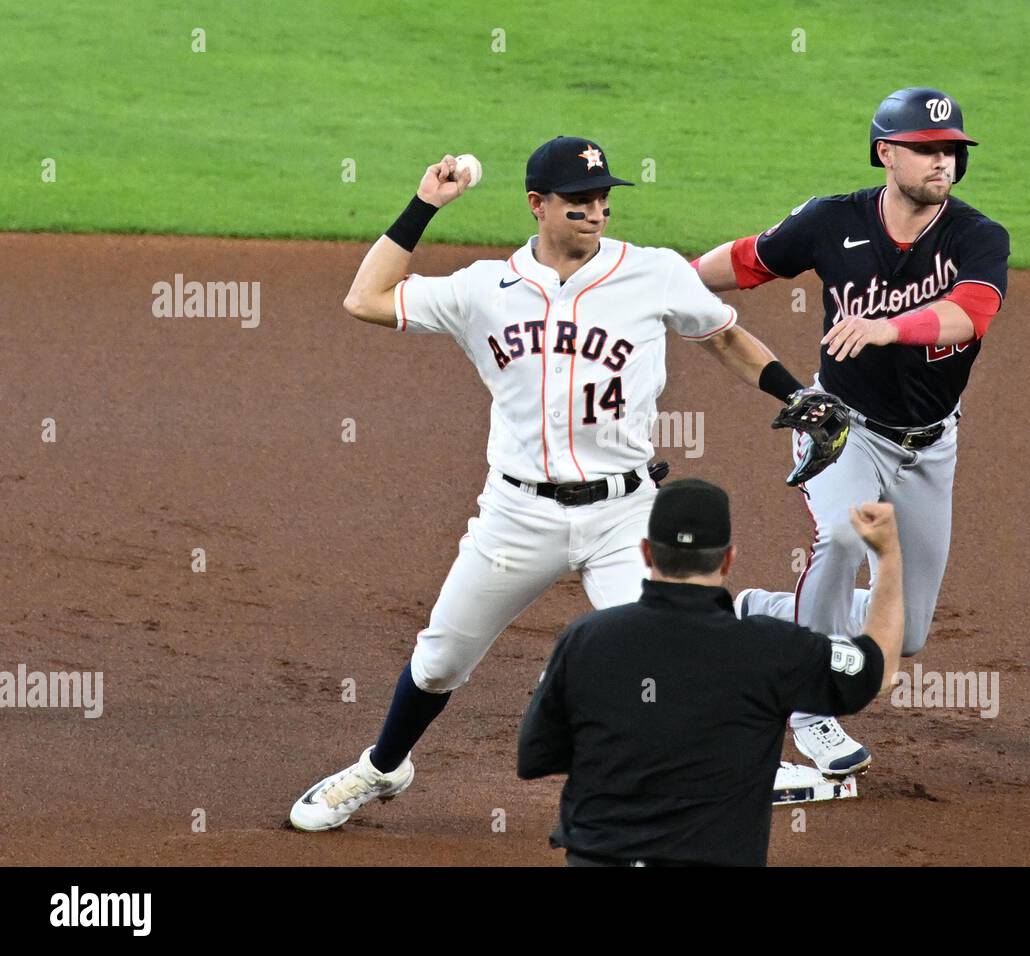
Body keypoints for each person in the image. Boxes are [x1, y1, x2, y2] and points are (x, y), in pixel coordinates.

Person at [288, 136, 845, 832]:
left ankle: (738, 768)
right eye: (579, 199)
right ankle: (382, 766)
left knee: (669, 655)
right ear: (537, 205)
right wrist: (425, 206)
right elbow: (364, 298)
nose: (596, 209)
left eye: (603, 197)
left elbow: (725, 335)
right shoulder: (482, 289)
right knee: (439, 661)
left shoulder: (652, 273)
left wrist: (797, 395)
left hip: (625, 517)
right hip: (517, 514)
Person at [691, 87, 1011, 774]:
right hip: (842, 428)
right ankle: (810, 706)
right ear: (885, 153)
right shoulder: (831, 222)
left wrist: (888, 327)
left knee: (910, 632)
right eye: (927, 150)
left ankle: (769, 610)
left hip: (930, 446)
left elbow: (971, 315)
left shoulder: (978, 237)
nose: (943, 161)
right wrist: (664, 282)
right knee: (838, 538)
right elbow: (745, 262)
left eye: (952, 150)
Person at [516, 479, 904, 866]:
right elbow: (879, 670)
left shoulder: (585, 640)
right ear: (728, 559)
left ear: (647, 553)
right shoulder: (775, 650)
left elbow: (536, 756)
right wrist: (888, 558)